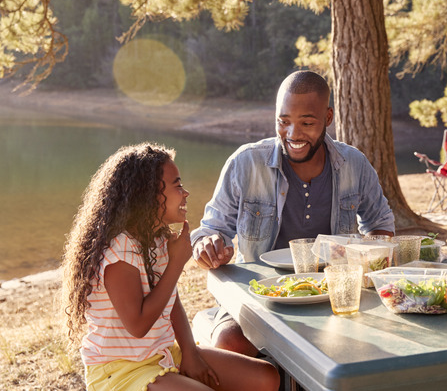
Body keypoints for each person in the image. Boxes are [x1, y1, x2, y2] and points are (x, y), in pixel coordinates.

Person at [191, 70, 395, 356]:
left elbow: (380, 224)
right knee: (230, 342)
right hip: (259, 295)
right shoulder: (245, 162)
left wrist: (368, 258)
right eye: (283, 122)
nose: (293, 134)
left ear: (328, 118)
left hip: (333, 297)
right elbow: (212, 229)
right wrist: (208, 246)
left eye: (306, 123)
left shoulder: (355, 164)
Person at [61, 143, 279, 391]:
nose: (185, 193)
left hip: (164, 353)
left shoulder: (156, 238)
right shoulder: (119, 251)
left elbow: (170, 301)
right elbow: (138, 325)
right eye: (177, 185)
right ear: (148, 194)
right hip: (122, 371)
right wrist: (176, 263)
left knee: (265, 377)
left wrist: (189, 352)